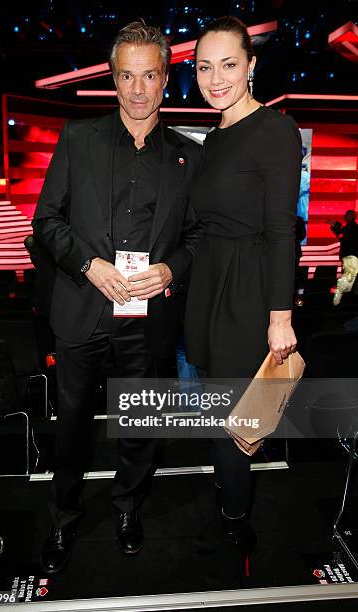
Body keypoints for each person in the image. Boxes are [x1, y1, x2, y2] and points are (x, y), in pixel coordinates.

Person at [32, 21, 201, 574]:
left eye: (148, 75)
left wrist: (170, 269)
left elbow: (198, 239)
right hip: (82, 310)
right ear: (112, 77)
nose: (136, 89)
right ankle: (63, 515)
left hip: (147, 320)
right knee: (73, 426)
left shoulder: (187, 155)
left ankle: (128, 506)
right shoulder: (77, 140)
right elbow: (45, 222)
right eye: (125, 75)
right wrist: (88, 263)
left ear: (164, 78)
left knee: (140, 427)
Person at [184, 16, 302, 587]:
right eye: (205, 67)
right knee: (215, 403)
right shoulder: (216, 136)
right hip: (208, 285)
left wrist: (280, 317)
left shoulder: (276, 129)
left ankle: (235, 513)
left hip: (249, 290)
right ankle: (227, 485)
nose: (216, 77)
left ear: (252, 65)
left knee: (239, 416)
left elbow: (283, 228)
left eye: (228, 64)